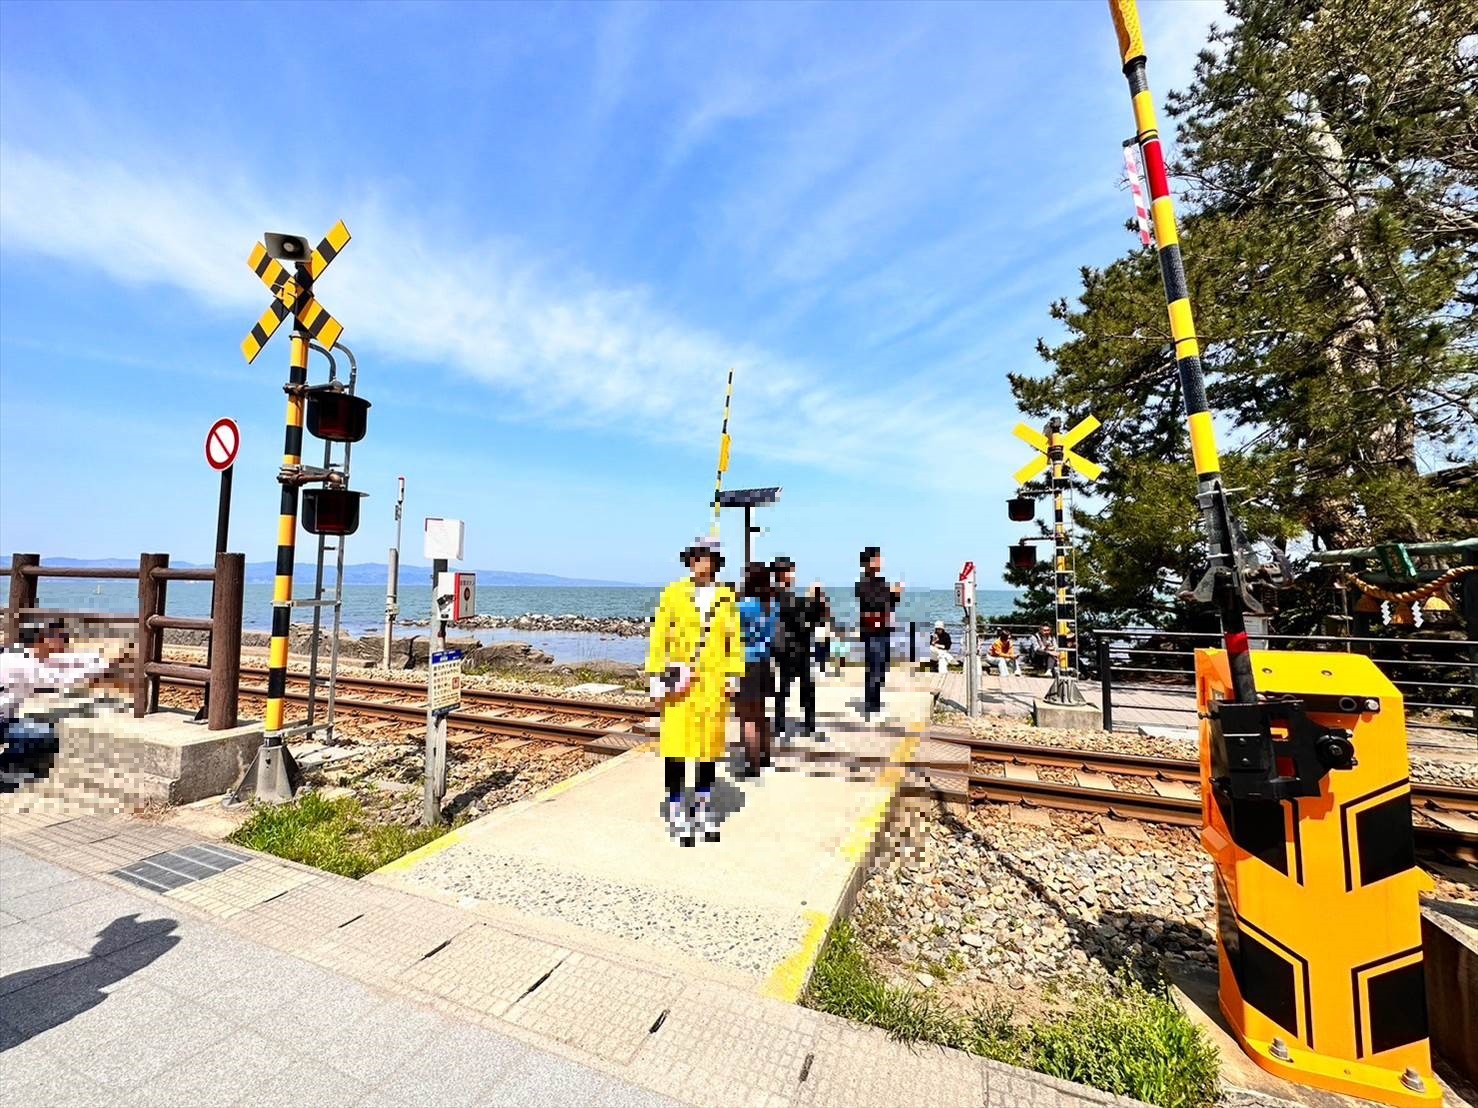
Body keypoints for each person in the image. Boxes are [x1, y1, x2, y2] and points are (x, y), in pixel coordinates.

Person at [645, 538, 743, 846]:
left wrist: (733, 674)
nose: (702, 563)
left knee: (709, 749)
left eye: (709, 557)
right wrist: (655, 676)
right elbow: (659, 637)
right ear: (689, 561)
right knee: (676, 747)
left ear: (716, 562)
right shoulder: (673, 593)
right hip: (679, 683)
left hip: (713, 684)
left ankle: (702, 808)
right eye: (697, 557)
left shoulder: (726, 597)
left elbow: (733, 640)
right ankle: (676, 810)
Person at [2, 621, 112, 792]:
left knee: (40, 730)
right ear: (42, 639)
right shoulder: (20, 664)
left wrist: (99, 660)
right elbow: (62, 679)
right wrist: (103, 665)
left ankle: (6, 767)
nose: (66, 640)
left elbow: (67, 660)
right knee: (39, 732)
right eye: (61, 636)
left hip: (4, 720)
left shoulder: (22, 654)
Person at [772, 557, 824, 741]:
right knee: (789, 688)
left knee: (802, 687)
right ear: (782, 573)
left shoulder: (786, 594)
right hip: (789, 648)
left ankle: (805, 725)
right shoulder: (779, 594)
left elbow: (811, 617)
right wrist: (812, 598)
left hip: (797, 647)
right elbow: (798, 615)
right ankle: (783, 726)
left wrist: (816, 601)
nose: (793, 575)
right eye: (790, 571)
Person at [736, 560, 779, 776]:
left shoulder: (742, 607)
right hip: (765, 663)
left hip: (746, 662)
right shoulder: (772, 606)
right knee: (761, 713)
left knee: (747, 717)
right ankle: (765, 757)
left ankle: (752, 766)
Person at [854, 546, 902, 719]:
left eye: (880, 559)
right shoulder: (863, 583)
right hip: (870, 631)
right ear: (868, 563)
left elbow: (889, 605)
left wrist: (895, 596)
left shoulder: (882, 582)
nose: (880, 562)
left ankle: (875, 700)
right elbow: (874, 602)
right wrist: (891, 595)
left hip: (884, 629)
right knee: (874, 666)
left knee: (882, 666)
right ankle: (871, 704)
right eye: (877, 559)